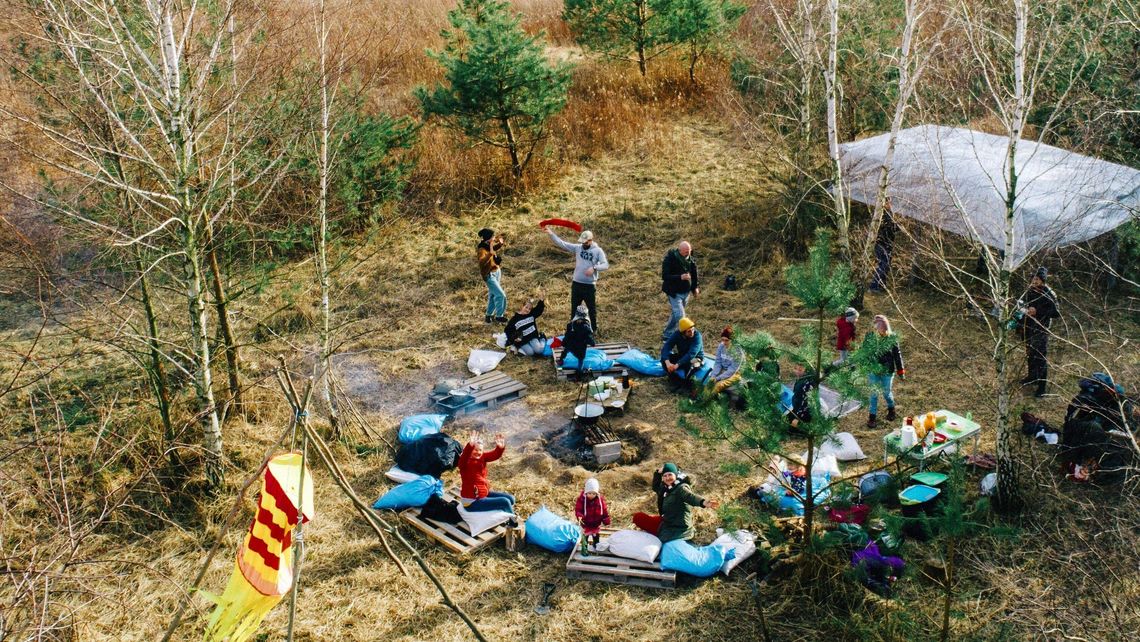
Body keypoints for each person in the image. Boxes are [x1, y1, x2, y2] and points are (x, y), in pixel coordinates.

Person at [632, 463, 720, 543]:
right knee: (638, 517)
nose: (667, 478)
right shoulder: (666, 488)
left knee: (665, 541)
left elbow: (690, 497)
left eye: (670, 475)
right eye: (665, 476)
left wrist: (703, 502)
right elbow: (655, 487)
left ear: (676, 474)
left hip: (678, 527)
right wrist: (658, 472)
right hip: (667, 521)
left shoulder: (681, 488)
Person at [546, 227, 609, 335]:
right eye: (582, 242)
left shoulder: (598, 251)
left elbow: (605, 265)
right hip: (576, 284)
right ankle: (573, 330)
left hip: (589, 286)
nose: (583, 244)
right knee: (574, 309)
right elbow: (562, 243)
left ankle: (593, 330)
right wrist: (551, 234)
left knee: (591, 309)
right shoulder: (578, 248)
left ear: (590, 240)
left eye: (585, 242)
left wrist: (594, 267)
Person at [1021, 267, 1060, 398]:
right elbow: (1024, 303)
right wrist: (1026, 309)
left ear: (1042, 281)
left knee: (1040, 356)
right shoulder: (1030, 291)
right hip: (1029, 325)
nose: (1034, 281)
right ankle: (1032, 377)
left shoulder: (1049, 294)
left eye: (1037, 279)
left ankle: (1042, 387)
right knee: (1030, 352)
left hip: (1042, 327)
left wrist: (1038, 312)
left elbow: (1056, 313)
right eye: (1033, 279)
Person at [458, 431, 515, 513]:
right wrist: (470, 446)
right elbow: (464, 456)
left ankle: (504, 511)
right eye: (475, 449)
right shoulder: (464, 463)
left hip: (483, 493)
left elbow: (494, 455)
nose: (478, 452)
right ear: (470, 450)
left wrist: (499, 448)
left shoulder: (482, 457)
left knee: (511, 499)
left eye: (480, 450)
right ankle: (512, 521)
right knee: (505, 502)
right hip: (471, 502)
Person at [865, 314, 905, 428]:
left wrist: (901, 370)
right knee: (874, 394)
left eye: (884, 330)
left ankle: (891, 409)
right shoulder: (869, 337)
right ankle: (872, 418)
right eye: (880, 330)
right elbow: (864, 352)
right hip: (873, 370)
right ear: (876, 328)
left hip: (887, 371)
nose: (882, 332)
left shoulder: (892, 338)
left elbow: (897, 355)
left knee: (886, 392)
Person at [660, 241, 700, 340]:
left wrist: (695, 287)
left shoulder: (691, 259)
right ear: (680, 250)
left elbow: (694, 275)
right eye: (686, 251)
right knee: (680, 316)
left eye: (689, 251)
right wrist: (680, 277)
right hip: (673, 292)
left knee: (675, 313)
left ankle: (667, 334)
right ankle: (686, 336)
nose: (688, 253)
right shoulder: (670, 259)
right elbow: (665, 276)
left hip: (685, 292)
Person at [660, 317, 704, 391]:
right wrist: (667, 363)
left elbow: (692, 353)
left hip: (695, 358)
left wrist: (678, 364)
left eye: (693, 329)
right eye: (689, 331)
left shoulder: (697, 336)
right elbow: (667, 347)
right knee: (664, 360)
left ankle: (685, 385)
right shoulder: (677, 334)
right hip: (682, 356)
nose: (692, 332)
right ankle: (676, 381)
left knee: (691, 365)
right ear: (683, 333)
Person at [476, 228, 507, 323]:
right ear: (488, 238)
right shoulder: (481, 249)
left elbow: (493, 249)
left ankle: (488, 316)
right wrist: (490, 254)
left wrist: (500, 244)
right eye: (492, 236)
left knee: (493, 295)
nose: (494, 237)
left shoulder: (488, 244)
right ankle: (499, 316)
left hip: (496, 271)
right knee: (501, 295)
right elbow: (481, 262)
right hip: (489, 275)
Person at [574, 477, 611, 551]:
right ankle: (585, 548)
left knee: (596, 536)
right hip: (586, 523)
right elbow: (578, 509)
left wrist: (606, 520)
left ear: (597, 493)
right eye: (589, 493)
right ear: (586, 492)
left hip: (596, 524)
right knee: (585, 537)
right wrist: (580, 516)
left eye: (594, 493)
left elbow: (604, 511)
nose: (591, 495)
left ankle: (596, 546)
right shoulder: (582, 500)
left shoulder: (600, 500)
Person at [869, 205, 898, 293]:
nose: (891, 204)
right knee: (883, 265)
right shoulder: (885, 216)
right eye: (889, 202)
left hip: (882, 244)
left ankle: (881, 285)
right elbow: (891, 229)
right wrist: (897, 226)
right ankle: (874, 286)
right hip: (883, 244)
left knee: (885, 265)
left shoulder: (880, 214)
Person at [706, 326, 743, 396]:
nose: (724, 342)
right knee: (710, 381)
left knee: (719, 385)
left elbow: (733, 369)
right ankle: (702, 399)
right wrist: (713, 376)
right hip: (723, 369)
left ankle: (705, 402)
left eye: (726, 340)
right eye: (722, 340)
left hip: (734, 373)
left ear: (732, 340)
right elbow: (718, 362)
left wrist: (718, 378)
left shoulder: (738, 351)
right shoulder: (721, 346)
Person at [785, 361, 820, 430]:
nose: (797, 371)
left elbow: (807, 403)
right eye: (795, 368)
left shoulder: (808, 383)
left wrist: (797, 418)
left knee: (792, 430)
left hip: (805, 413)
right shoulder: (801, 379)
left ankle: (805, 426)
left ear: (806, 370)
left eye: (800, 370)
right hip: (797, 407)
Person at [560, 303, 596, 369]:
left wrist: (564, 342)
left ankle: (562, 360)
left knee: (568, 351)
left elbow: (567, 335)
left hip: (575, 347)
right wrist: (592, 342)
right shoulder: (584, 328)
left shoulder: (572, 325)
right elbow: (589, 338)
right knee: (580, 359)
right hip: (577, 348)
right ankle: (578, 374)